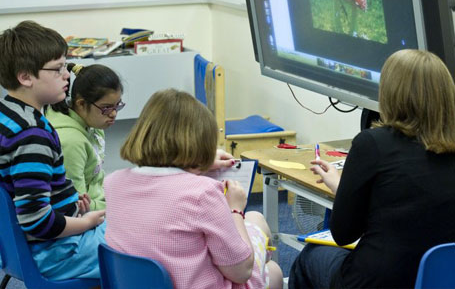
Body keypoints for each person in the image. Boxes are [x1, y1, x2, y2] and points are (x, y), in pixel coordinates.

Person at [289, 49, 455, 289]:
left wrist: (346, 191)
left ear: (390, 94)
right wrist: (340, 185)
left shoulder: (372, 143)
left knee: (310, 257)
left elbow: (344, 234)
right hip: (441, 280)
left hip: (378, 280)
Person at [104, 88, 283, 289]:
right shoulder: (202, 192)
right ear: (200, 143)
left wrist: (198, 165)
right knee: (271, 264)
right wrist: (235, 210)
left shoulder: (113, 183)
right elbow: (241, 272)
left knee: (254, 224)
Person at [0, 21, 105, 280]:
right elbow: (36, 222)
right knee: (140, 245)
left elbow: (26, 189)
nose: (67, 75)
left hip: (30, 247)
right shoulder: (31, 135)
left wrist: (68, 204)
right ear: (25, 77)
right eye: (58, 69)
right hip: (54, 252)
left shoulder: (8, 114)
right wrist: (86, 222)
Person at [46, 63, 124, 210]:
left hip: (98, 202)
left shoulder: (94, 125)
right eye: (106, 108)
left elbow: (94, 179)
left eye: (117, 105)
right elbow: (76, 204)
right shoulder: (71, 142)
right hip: (83, 216)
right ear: (81, 104)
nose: (114, 114)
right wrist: (112, 207)